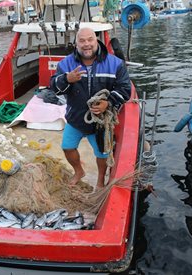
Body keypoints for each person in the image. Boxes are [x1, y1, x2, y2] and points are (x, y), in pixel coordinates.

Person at [50, 27, 131, 189]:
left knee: (102, 154)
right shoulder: (66, 63)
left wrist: (107, 103)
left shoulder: (115, 63)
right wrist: (67, 79)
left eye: (90, 40)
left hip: (100, 123)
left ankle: (100, 179)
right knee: (67, 147)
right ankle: (79, 171)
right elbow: (54, 87)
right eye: (82, 41)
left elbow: (125, 90)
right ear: (76, 44)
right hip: (75, 118)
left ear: (96, 40)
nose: (86, 44)